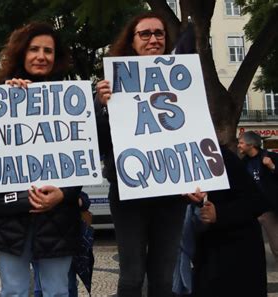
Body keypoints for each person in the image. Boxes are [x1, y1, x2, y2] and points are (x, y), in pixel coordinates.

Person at [0, 22, 82, 297]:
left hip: (58, 216)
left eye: (48, 50)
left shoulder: (72, 102)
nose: (41, 56)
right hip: (10, 217)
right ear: (22, 53)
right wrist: (6, 99)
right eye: (34, 49)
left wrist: (64, 194)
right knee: (13, 291)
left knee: (57, 291)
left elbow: (82, 158)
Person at [95, 12, 187, 297]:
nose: (153, 39)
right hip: (128, 194)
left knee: (163, 279)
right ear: (132, 41)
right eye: (145, 34)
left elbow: (193, 137)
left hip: (172, 196)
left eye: (159, 33)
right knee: (132, 277)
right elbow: (98, 144)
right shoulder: (108, 87)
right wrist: (102, 107)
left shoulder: (184, 83)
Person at [186, 147, 269, 297]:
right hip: (206, 255)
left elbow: (257, 201)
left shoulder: (221, 156)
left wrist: (219, 213)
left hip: (236, 256)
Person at [238, 131, 278, 261]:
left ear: (251, 144)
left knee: (276, 246)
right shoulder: (243, 163)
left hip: (268, 209)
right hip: (251, 210)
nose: (239, 145)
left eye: (241, 143)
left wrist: (272, 166)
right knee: (249, 247)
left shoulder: (271, 157)